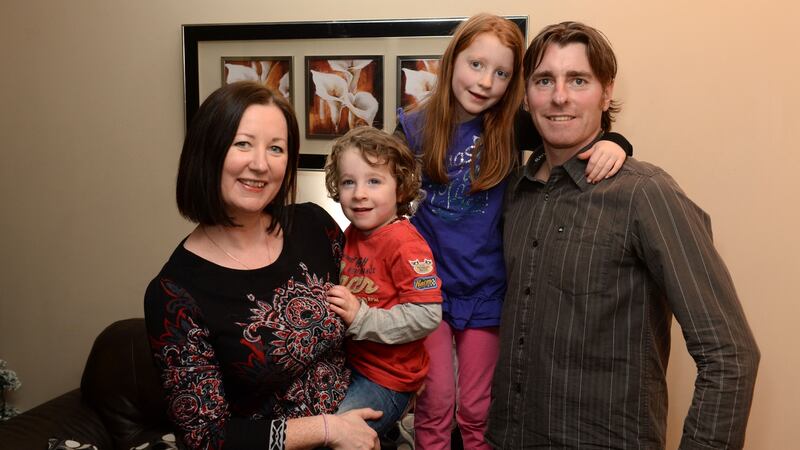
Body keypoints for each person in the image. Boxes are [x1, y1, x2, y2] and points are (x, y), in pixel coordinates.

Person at [488, 21, 760, 449]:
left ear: (606, 92)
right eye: (544, 80)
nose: (560, 96)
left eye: (578, 80)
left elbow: (730, 354)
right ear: (526, 94)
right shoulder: (516, 194)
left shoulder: (645, 193)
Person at [394, 13, 632, 450]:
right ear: (452, 62)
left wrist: (617, 143)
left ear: (514, 84)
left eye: (502, 73)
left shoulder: (510, 127)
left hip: (487, 290)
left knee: (479, 407)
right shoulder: (414, 127)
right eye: (476, 65)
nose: (486, 81)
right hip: (428, 290)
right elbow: (380, 183)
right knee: (436, 402)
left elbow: (572, 131)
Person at [144, 81, 381, 450]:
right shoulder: (175, 293)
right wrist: (329, 429)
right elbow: (205, 438)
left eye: (276, 148)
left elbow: (372, 308)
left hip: (368, 430)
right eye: (243, 143)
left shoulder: (315, 226)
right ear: (208, 151)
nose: (260, 164)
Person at [323, 126, 443, 437]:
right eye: (349, 182)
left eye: (374, 181)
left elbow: (427, 314)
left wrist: (362, 317)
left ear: (400, 189)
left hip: (388, 379)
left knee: (339, 435)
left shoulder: (405, 243)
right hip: (351, 366)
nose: (359, 193)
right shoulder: (350, 234)